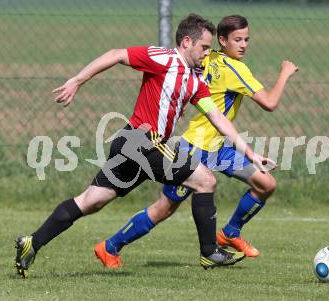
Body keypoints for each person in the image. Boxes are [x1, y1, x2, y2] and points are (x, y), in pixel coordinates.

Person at [14, 13, 271, 277]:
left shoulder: (195, 82)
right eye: (204, 47)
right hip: (143, 141)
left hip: (131, 144)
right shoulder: (164, 59)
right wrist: (78, 80)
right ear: (186, 42)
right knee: (205, 180)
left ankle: (32, 242)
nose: (208, 53)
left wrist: (249, 152)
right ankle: (209, 252)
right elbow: (116, 54)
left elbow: (217, 118)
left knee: (91, 201)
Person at [97, 15, 298, 266]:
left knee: (266, 183)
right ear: (221, 40)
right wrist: (285, 73)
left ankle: (230, 233)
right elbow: (269, 102)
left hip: (220, 147)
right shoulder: (235, 67)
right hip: (195, 147)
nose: (244, 45)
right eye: (237, 39)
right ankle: (110, 246)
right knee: (164, 208)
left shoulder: (206, 56)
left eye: (247, 39)